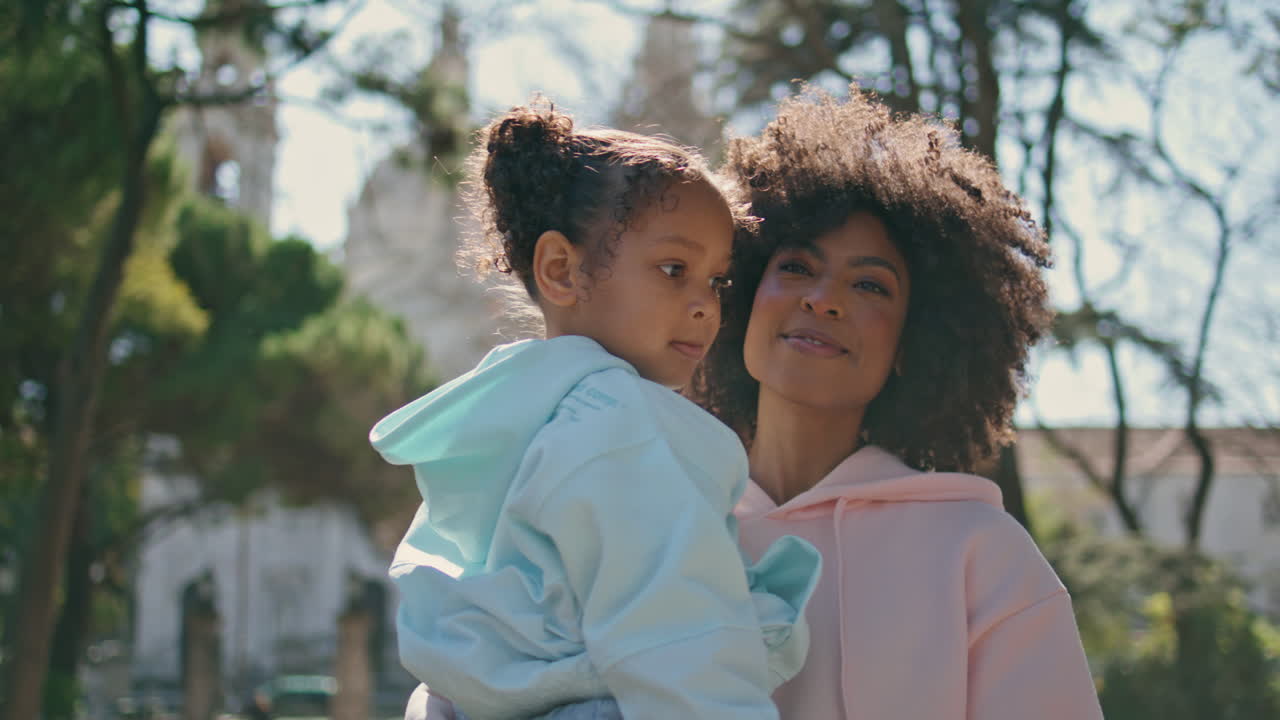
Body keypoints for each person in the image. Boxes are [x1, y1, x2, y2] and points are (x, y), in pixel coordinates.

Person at [371, 101, 821, 720]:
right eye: (673, 269)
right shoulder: (623, 425)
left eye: (716, 281)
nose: (704, 307)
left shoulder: (513, 416)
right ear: (561, 271)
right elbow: (680, 638)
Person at [684, 85, 1104, 718]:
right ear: (741, 294)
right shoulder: (665, 520)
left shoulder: (982, 554)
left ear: (912, 345)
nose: (824, 299)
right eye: (797, 266)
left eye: (870, 284)